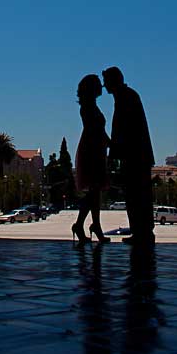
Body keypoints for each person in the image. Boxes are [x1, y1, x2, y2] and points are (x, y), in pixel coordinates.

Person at [102, 66, 155, 245]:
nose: (104, 85)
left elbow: (120, 129)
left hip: (135, 156)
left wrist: (112, 153)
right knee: (136, 195)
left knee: (137, 195)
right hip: (135, 155)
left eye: (106, 81)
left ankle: (143, 233)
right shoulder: (126, 95)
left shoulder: (125, 97)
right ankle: (141, 232)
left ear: (113, 80)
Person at [72, 74, 111, 244]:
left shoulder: (91, 106)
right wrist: (109, 142)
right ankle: (91, 225)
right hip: (91, 149)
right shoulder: (88, 107)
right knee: (94, 190)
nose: (101, 87)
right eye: (97, 84)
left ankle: (88, 224)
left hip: (96, 148)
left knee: (94, 192)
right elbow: (94, 129)